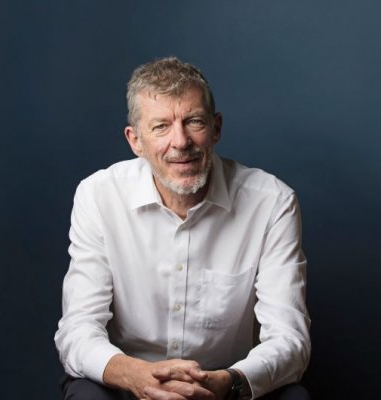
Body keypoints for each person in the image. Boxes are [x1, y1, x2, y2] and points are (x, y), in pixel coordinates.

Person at [54, 57, 311, 400]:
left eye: (194, 121)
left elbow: (290, 339)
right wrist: (135, 375)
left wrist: (227, 382)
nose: (181, 142)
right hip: (128, 384)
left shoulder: (272, 202)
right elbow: (77, 330)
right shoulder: (98, 196)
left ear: (216, 127)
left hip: (224, 386)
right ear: (135, 141)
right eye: (161, 126)